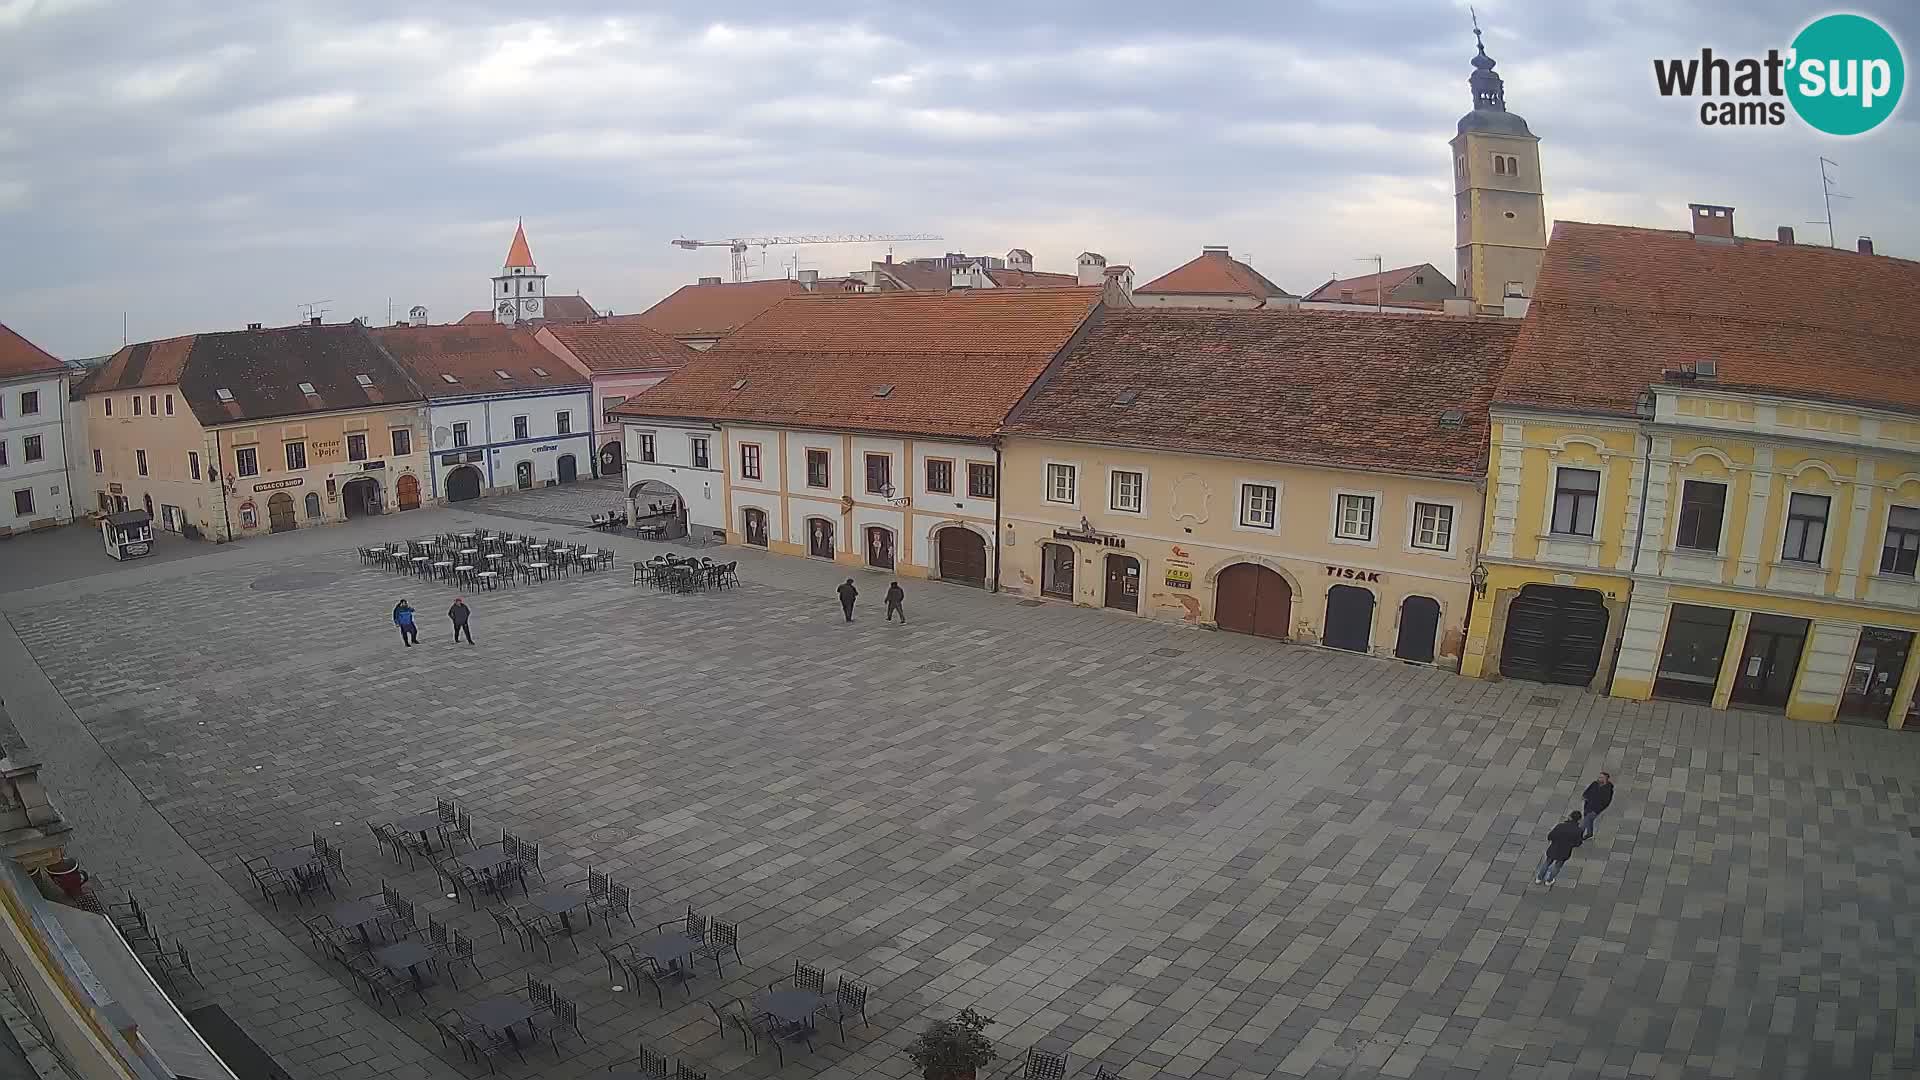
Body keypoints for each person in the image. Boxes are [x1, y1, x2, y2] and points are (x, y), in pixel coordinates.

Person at [1535, 811, 1585, 886]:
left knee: (1547, 863)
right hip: (1565, 851)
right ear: (1579, 820)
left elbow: (1550, 836)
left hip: (1554, 848)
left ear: (1570, 817)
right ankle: (1549, 880)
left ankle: (1539, 878)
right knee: (1557, 866)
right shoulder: (1578, 831)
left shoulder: (1560, 826)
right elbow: (1578, 843)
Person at [1581, 771, 1615, 839]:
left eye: (1601, 777)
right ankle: (1589, 833)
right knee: (1589, 821)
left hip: (1595, 810)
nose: (1599, 778)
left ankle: (1578, 835)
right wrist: (1585, 796)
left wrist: (1597, 810)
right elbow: (1587, 792)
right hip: (1587, 806)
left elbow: (1606, 802)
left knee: (1583, 823)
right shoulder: (1594, 783)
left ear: (1605, 779)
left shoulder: (1608, 789)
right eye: (1599, 777)